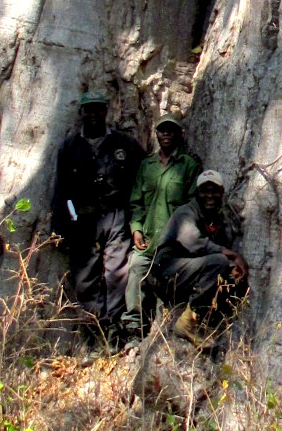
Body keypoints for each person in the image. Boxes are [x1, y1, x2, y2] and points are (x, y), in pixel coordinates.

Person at [50, 92, 143, 336]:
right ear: (81, 112)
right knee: (85, 279)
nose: (93, 115)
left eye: (98, 109)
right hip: (83, 221)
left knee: (116, 274)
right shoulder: (70, 147)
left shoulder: (124, 143)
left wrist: (136, 220)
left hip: (116, 217)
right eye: (88, 110)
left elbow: (141, 181)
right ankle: (92, 333)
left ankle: (113, 330)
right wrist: (66, 223)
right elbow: (63, 191)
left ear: (106, 111)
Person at [121, 112, 201, 342]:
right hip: (147, 240)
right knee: (136, 269)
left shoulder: (188, 166)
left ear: (179, 134)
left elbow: (193, 206)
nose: (166, 134)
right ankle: (133, 332)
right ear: (156, 133)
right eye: (162, 130)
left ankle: (162, 334)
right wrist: (136, 228)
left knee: (167, 287)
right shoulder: (147, 166)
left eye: (171, 130)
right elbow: (136, 202)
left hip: (173, 244)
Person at [149, 170, 249, 347]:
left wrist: (234, 267)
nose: (209, 196)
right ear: (197, 193)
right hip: (165, 272)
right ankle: (186, 323)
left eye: (214, 191)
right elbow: (195, 243)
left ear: (222, 193)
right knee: (219, 262)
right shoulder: (185, 213)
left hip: (186, 275)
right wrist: (233, 255)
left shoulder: (215, 219)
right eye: (204, 191)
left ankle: (206, 320)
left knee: (228, 273)